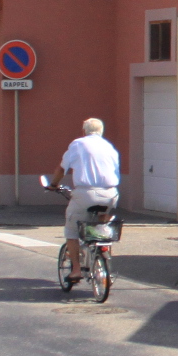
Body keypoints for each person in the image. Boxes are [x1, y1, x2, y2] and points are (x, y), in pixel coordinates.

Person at [58, 117, 120, 278]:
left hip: (86, 193)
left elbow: (62, 168)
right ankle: (103, 255)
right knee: (102, 227)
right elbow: (116, 172)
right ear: (101, 131)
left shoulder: (78, 144)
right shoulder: (110, 147)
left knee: (71, 231)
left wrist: (52, 184)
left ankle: (76, 270)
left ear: (84, 131)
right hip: (110, 193)